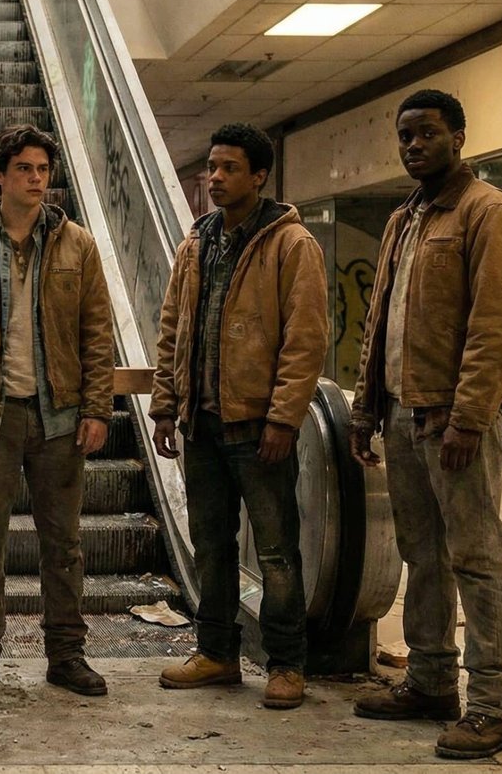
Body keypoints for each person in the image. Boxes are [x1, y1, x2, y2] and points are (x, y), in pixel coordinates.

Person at [349, 89, 502, 760]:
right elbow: (380, 321)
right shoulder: (407, 217)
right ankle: (430, 679)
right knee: (422, 554)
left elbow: (498, 326)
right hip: (403, 413)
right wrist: (366, 407)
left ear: (459, 135)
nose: (413, 145)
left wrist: (470, 416)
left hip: (455, 422)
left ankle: (492, 704)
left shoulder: (491, 214)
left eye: (426, 133)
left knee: (477, 557)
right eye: (404, 136)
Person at [0, 124, 115, 698]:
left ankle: (66, 655)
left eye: (43, 170)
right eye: (25, 169)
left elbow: (96, 332)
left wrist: (98, 407)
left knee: (64, 543)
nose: (37, 180)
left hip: (59, 415)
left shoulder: (76, 244)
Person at [148, 123, 328, 709]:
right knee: (212, 547)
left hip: (257, 428)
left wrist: (283, 419)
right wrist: (166, 408)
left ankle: (285, 664)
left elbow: (305, 340)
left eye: (229, 169)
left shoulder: (291, 245)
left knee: (276, 552)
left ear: (258, 176)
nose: (217, 179)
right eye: (212, 168)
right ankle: (219, 653)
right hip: (201, 426)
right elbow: (173, 327)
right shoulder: (197, 243)